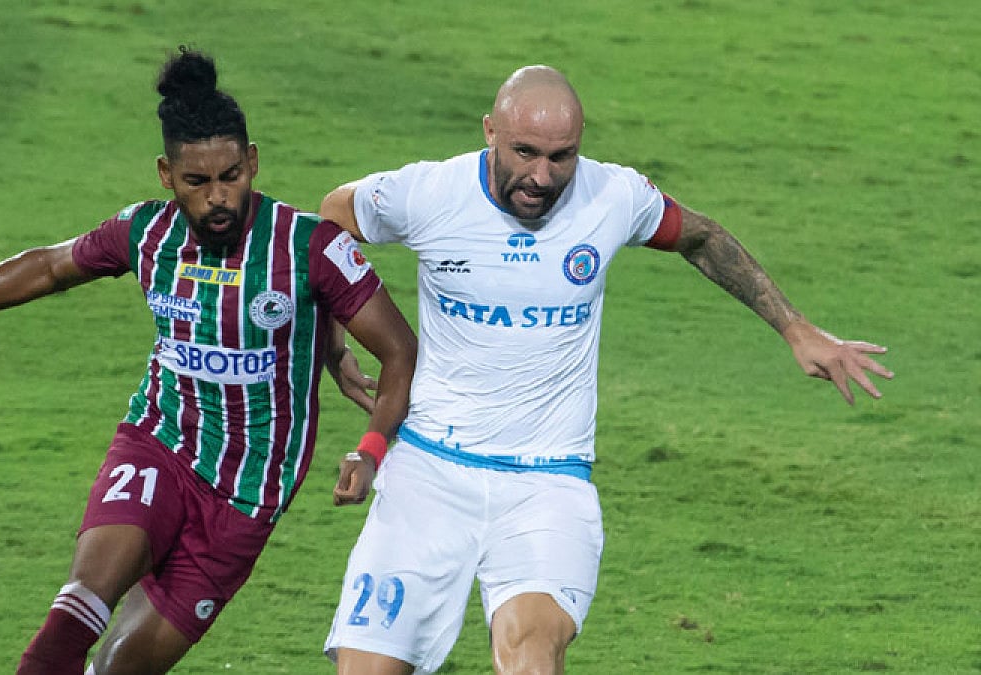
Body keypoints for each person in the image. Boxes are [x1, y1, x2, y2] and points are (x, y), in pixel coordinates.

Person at [0, 46, 417, 675]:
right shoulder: (146, 233)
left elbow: (398, 348)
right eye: (197, 182)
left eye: (231, 176)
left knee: (119, 669)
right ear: (167, 175)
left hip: (249, 493)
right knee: (78, 606)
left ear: (252, 162)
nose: (218, 196)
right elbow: (50, 266)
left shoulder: (309, 245)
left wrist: (370, 446)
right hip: (159, 442)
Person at [318, 65, 894, 674]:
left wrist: (795, 328)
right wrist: (335, 335)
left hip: (546, 484)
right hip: (429, 471)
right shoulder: (427, 194)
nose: (542, 177)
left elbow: (700, 238)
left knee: (532, 657)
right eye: (525, 152)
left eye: (562, 157)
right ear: (490, 131)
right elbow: (331, 218)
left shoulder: (612, 197)